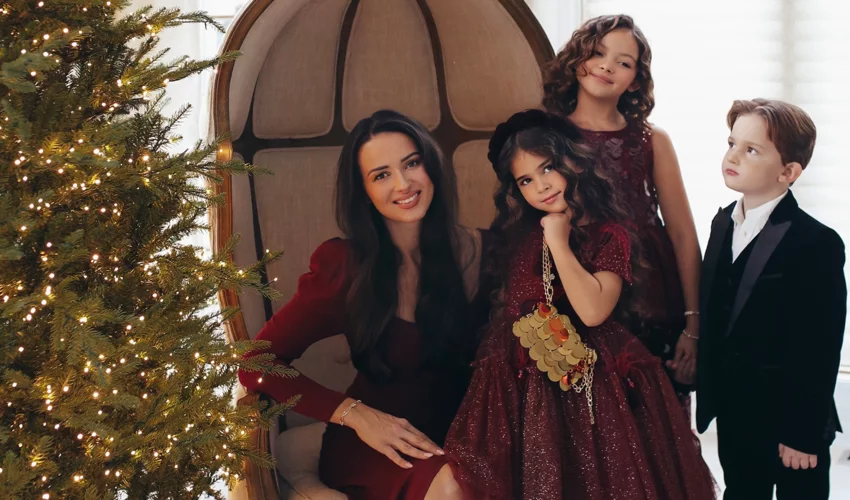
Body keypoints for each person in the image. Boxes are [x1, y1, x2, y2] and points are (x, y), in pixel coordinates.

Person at [445, 109, 716, 499]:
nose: (541, 185)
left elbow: (593, 310)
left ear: (574, 160)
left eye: (548, 167)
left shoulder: (610, 234)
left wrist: (557, 239)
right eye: (525, 179)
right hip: (518, 383)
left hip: (589, 382)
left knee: (588, 478)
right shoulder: (520, 233)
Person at [239, 110, 491, 499]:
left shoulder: (484, 252)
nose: (404, 183)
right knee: (454, 488)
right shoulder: (345, 267)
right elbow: (256, 363)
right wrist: (358, 417)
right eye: (381, 174)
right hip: (378, 444)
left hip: (464, 437)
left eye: (412, 163)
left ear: (432, 166)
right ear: (364, 192)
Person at [696, 98, 847, 500]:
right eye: (731, 143)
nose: (733, 156)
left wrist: (802, 433)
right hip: (735, 410)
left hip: (792, 421)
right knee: (742, 492)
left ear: (788, 171)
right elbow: (717, 312)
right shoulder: (721, 222)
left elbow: (820, 345)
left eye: (751, 150)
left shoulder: (816, 242)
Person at [543, 14, 701, 395]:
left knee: (655, 423)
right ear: (576, 57)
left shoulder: (652, 141)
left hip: (650, 300)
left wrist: (694, 326)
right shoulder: (544, 136)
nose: (607, 65)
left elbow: (682, 235)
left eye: (624, 62)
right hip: (573, 298)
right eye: (598, 52)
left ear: (636, 80)